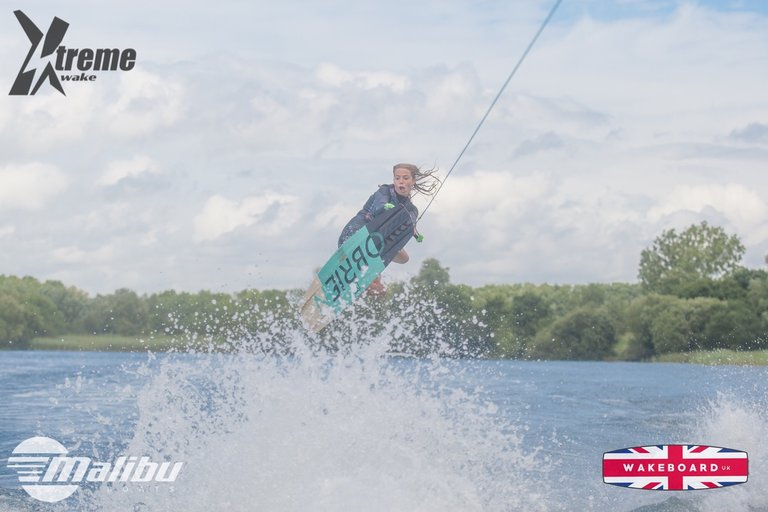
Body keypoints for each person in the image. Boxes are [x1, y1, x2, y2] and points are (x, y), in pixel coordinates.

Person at [338, 163, 440, 295]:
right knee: (375, 242)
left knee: (404, 258)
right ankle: (346, 260)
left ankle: (370, 277)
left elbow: (410, 223)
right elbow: (380, 205)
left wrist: (414, 233)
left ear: (413, 181)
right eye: (397, 178)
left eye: (405, 178)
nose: (400, 182)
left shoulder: (411, 209)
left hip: (375, 240)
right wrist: (385, 208)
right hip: (356, 231)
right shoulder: (385, 191)